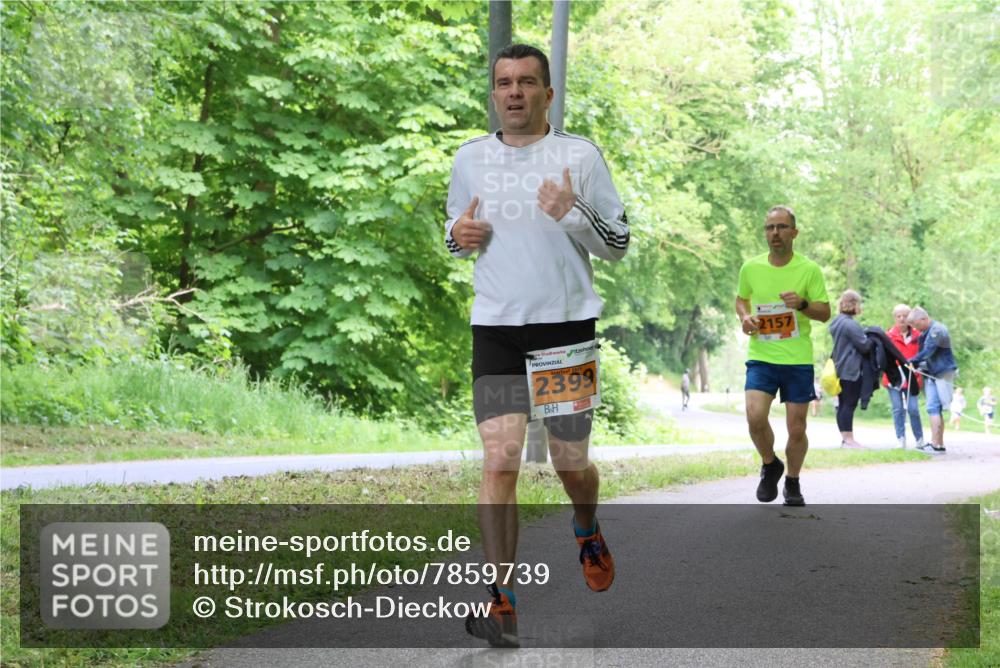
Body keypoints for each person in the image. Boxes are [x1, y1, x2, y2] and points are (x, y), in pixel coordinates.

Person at [445, 44, 629, 647]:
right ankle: (502, 602)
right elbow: (455, 233)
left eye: (527, 82)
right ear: (494, 94)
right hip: (496, 327)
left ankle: (586, 527)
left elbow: (618, 242)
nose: (515, 92)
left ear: (548, 94)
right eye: (504, 83)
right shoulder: (470, 158)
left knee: (570, 463)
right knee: (500, 459)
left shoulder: (579, 156)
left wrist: (573, 213)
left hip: (565, 329)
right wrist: (458, 234)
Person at [735, 205, 831, 507]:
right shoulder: (751, 268)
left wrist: (802, 304)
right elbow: (741, 300)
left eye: (781, 227)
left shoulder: (809, 270)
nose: (775, 233)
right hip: (762, 355)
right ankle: (770, 464)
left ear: (794, 232)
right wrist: (745, 317)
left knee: (797, 427)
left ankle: (792, 480)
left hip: (797, 359)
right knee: (755, 417)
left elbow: (825, 312)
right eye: (770, 227)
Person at [906, 307, 957, 453]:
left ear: (924, 319)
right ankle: (938, 445)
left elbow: (928, 351)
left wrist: (912, 361)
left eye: (917, 325)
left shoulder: (937, 330)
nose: (916, 329)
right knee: (933, 408)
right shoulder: (925, 332)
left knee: (937, 407)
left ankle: (936, 444)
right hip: (932, 373)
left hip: (942, 373)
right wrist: (916, 365)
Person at [828, 290, 872, 449]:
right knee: (849, 404)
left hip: (839, 367)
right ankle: (849, 440)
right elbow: (864, 346)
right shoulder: (850, 324)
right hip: (851, 368)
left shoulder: (836, 321)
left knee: (842, 404)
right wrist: (872, 339)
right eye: (858, 303)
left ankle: (845, 438)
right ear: (853, 304)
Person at [884, 304, 925, 449]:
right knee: (898, 409)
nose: (902, 319)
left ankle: (919, 439)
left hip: (912, 378)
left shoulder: (918, 336)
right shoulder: (888, 336)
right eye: (898, 316)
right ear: (894, 318)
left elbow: (922, 356)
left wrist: (918, 367)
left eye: (905, 316)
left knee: (913, 409)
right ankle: (900, 439)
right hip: (893, 378)